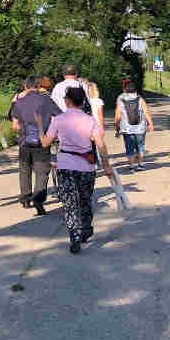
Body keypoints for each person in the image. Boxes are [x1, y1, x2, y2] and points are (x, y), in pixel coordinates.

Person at [38, 85, 116, 253]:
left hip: (65, 165)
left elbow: (45, 143)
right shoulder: (90, 120)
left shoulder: (59, 119)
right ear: (82, 102)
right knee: (85, 199)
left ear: (67, 101)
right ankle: (86, 228)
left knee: (69, 202)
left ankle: (74, 235)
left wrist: (39, 126)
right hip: (86, 167)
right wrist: (107, 166)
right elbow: (101, 145)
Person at [8, 76, 61, 215]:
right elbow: (59, 116)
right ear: (38, 86)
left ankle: (25, 197)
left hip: (24, 140)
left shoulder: (18, 102)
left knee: (24, 167)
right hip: (42, 139)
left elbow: (15, 125)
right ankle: (38, 198)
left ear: (25, 87)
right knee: (42, 170)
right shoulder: (46, 99)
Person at [114, 77, 155, 171]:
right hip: (140, 127)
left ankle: (131, 166)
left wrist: (117, 126)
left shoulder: (121, 99)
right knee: (140, 146)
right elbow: (146, 112)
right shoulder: (140, 99)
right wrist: (151, 124)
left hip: (127, 129)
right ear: (135, 89)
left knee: (129, 147)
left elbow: (118, 116)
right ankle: (140, 165)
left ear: (125, 89)